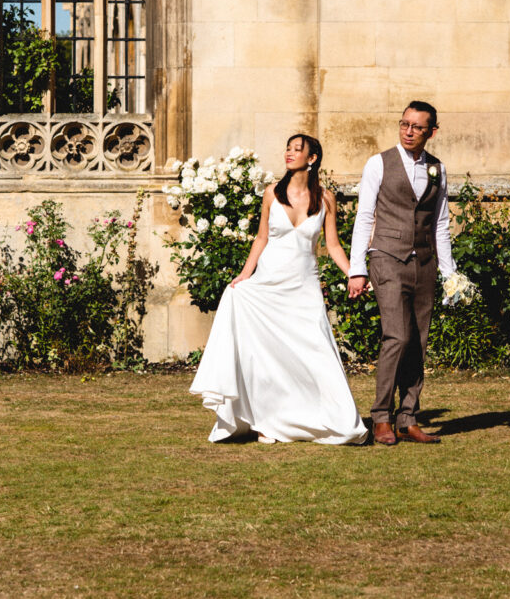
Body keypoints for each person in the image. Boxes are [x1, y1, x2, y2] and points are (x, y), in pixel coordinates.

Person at [189, 134, 368, 445]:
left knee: (316, 352)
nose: (289, 153)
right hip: (268, 284)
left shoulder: (326, 199)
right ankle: (264, 422)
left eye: (297, 149)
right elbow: (261, 239)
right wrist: (244, 275)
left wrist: (355, 274)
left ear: (312, 159)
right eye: (287, 147)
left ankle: (332, 418)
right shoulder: (272, 192)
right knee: (265, 355)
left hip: (303, 286)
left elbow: (333, 245)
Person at [347, 101, 455, 446]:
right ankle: (381, 417)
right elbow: (364, 217)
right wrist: (357, 269)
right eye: (404, 124)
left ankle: (408, 418)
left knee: (418, 342)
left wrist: (449, 273)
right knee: (397, 336)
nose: (408, 131)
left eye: (417, 127)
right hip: (386, 258)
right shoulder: (378, 163)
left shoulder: (437, 169)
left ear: (431, 132)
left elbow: (440, 223)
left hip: (424, 263)